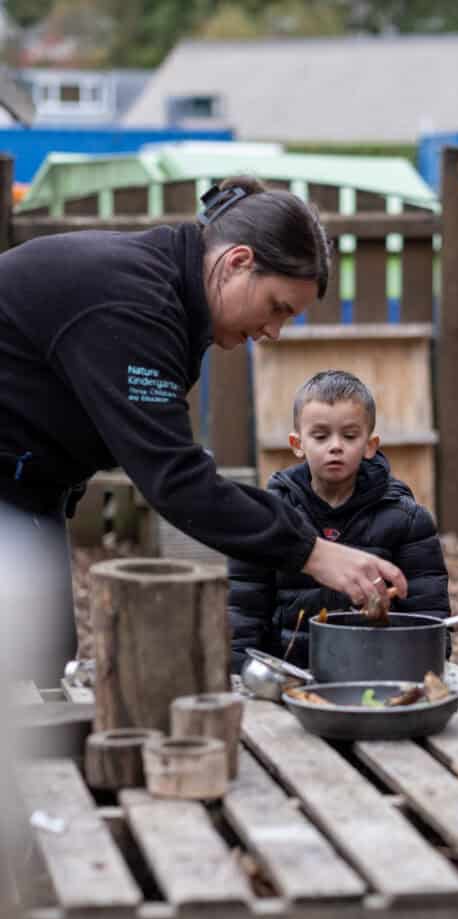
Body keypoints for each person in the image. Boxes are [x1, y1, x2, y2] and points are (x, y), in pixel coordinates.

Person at [0, 177, 405, 686]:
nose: (272, 332)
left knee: (37, 675)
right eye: (278, 308)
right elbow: (176, 480)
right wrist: (313, 551)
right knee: (22, 680)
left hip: (28, 487)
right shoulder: (134, 307)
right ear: (237, 262)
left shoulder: (168, 287)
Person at [228, 369, 451, 671]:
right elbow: (244, 610)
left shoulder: (408, 520)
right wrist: (241, 672)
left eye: (349, 436)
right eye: (320, 436)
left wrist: (426, 663)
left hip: (379, 671)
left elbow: (429, 613)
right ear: (297, 443)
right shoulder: (269, 518)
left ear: (370, 445)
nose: (335, 446)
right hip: (290, 673)